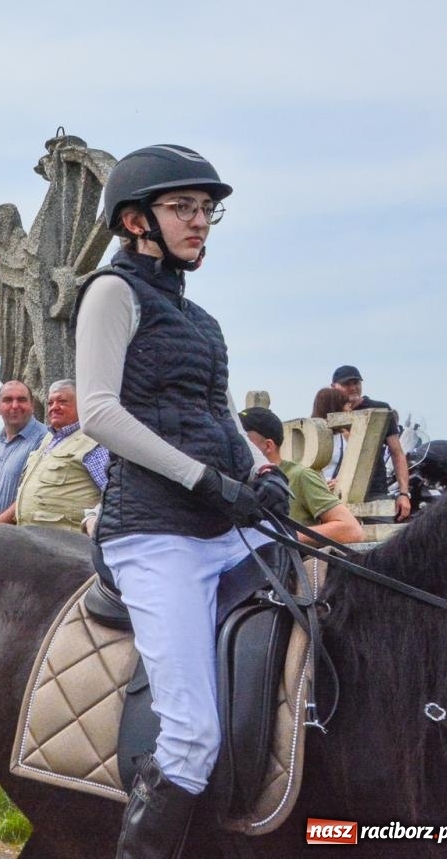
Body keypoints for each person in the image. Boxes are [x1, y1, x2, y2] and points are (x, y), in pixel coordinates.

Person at [75, 143, 290, 856]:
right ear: (136, 220)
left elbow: (219, 414)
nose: (199, 222)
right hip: (154, 534)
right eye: (183, 208)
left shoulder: (203, 323)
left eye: (206, 211)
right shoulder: (111, 291)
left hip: (225, 526)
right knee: (193, 735)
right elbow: (98, 414)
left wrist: (260, 475)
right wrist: (199, 478)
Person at [239, 407, 363, 545]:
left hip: (290, 563)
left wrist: (286, 537)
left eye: (244, 439)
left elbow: (351, 530)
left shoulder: (300, 476)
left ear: (268, 446)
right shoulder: (237, 481)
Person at [13, 380, 110, 533]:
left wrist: (93, 520)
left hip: (68, 548)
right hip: (33, 543)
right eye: (50, 403)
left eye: (62, 401)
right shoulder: (48, 439)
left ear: (81, 405)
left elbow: (113, 492)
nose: (54, 408)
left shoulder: (93, 442)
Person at [329, 365, 410, 521]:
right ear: (334, 387)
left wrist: (404, 493)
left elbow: (397, 452)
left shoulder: (380, 409)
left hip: (375, 491)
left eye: (356, 383)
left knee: (384, 541)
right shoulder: (328, 412)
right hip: (336, 495)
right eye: (347, 384)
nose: (353, 388)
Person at [0, 381, 48, 526]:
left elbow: (32, 496)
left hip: (19, 540)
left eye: (22, 400)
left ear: (32, 405)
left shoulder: (45, 440)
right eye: (8, 400)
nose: (15, 405)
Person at [311, 386, 354, 487]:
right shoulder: (311, 436)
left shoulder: (345, 436)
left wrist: (340, 482)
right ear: (336, 407)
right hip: (315, 491)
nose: (350, 409)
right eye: (346, 404)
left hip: (337, 493)